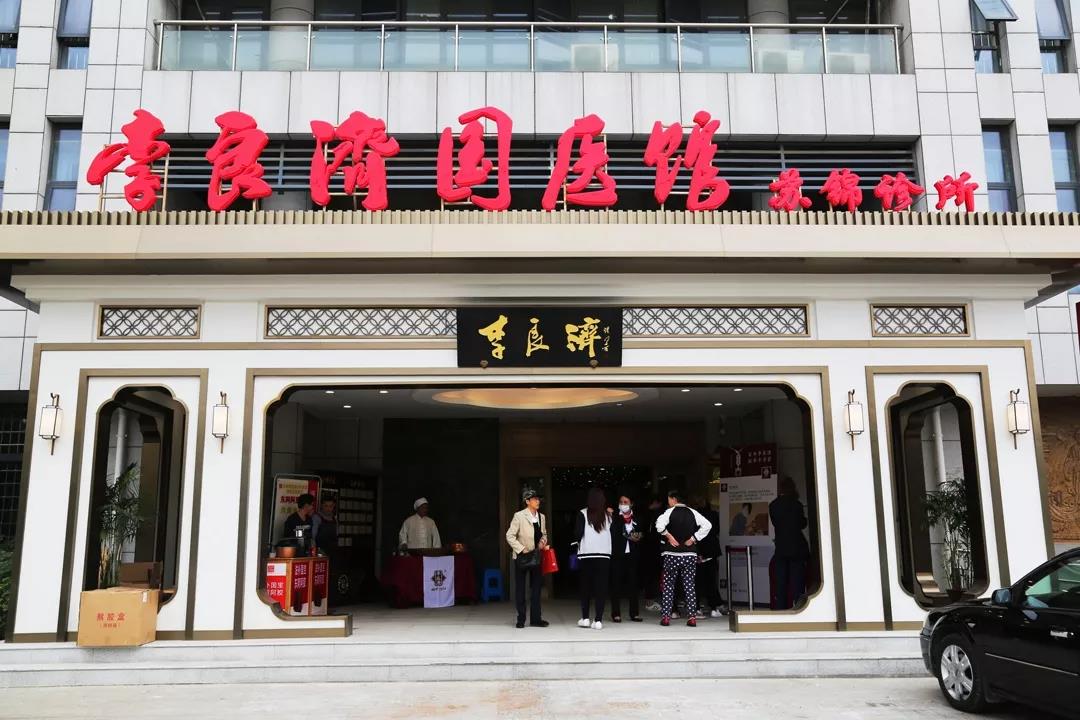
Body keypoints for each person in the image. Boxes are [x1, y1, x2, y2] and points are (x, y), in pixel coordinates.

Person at [654, 489, 713, 627]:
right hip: (689, 554)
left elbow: (659, 525)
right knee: (689, 585)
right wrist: (693, 538)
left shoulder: (669, 512)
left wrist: (668, 536)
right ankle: (692, 617)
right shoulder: (693, 512)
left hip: (672, 554)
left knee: (669, 585)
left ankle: (666, 617)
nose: (668, 502)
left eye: (669, 499)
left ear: (674, 499)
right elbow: (708, 525)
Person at [506, 489, 550, 628]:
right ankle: (521, 619)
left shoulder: (542, 517)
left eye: (538, 499)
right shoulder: (519, 516)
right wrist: (521, 548)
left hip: (536, 556)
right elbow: (509, 535)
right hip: (522, 557)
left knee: (536, 588)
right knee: (520, 589)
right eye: (534, 499)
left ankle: (536, 619)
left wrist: (543, 541)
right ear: (527, 501)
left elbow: (544, 533)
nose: (538, 501)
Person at [572, 487, 612, 630]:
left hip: (586, 555)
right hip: (604, 556)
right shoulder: (608, 516)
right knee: (601, 588)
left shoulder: (582, 513)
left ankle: (585, 618)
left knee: (586, 587)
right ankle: (598, 620)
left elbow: (578, 533)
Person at [769, 477, 810, 610]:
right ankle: (798, 609)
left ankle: (781, 610)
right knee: (797, 583)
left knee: (781, 583)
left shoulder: (773, 505)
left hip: (781, 547)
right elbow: (802, 524)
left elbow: (775, 523)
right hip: (796, 547)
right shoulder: (797, 504)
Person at [609, 493, 643, 623]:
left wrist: (632, 535)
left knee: (633, 584)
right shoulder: (614, 517)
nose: (623, 504)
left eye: (625, 502)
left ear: (631, 504)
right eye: (621, 502)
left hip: (632, 555)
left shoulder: (637, 518)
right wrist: (629, 535)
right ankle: (616, 613)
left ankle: (634, 613)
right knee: (616, 584)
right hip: (618, 554)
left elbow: (640, 535)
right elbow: (614, 533)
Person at [695, 499, 726, 618]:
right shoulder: (713, 514)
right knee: (711, 580)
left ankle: (697, 608)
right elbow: (717, 530)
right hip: (711, 550)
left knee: (697, 581)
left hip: (698, 550)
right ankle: (713, 607)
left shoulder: (694, 515)